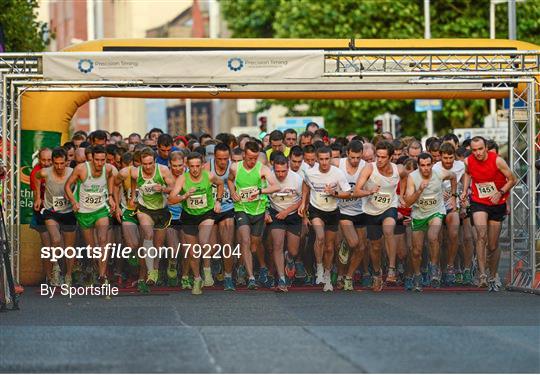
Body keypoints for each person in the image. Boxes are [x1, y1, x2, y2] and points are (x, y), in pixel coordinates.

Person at [461, 137, 516, 291]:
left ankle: (493, 274)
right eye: (474, 150)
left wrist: (500, 193)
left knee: (492, 244)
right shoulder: (468, 161)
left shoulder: (497, 161)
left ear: (486, 148)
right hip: (479, 202)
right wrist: (465, 190)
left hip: (497, 202)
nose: (477, 153)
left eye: (480, 149)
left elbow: (513, 179)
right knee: (481, 235)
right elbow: (467, 174)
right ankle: (482, 274)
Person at [354, 141, 408, 291]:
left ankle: (391, 269)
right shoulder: (369, 168)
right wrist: (369, 192)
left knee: (389, 229)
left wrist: (401, 195)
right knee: (375, 246)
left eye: (383, 157)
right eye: (378, 156)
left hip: (389, 206)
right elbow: (357, 191)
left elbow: (405, 177)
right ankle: (377, 274)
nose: (380, 160)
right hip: (371, 211)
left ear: (391, 157)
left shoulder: (399, 169)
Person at [169, 152, 224, 295]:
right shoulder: (183, 178)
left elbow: (221, 183)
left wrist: (218, 201)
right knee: (193, 253)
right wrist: (185, 195)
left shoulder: (209, 175)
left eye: (197, 166)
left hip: (206, 214)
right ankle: (197, 278)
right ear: (188, 166)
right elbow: (171, 198)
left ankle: (206, 270)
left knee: (203, 240)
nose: (195, 169)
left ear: (202, 165)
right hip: (189, 216)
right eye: (192, 166)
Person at [299, 146, 353, 292]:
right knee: (320, 237)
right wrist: (303, 203)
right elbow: (305, 185)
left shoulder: (337, 173)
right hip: (316, 209)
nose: (324, 162)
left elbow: (348, 193)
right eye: (321, 159)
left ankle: (327, 276)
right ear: (317, 159)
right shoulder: (310, 173)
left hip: (333, 212)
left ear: (330, 159)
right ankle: (319, 268)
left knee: (330, 247)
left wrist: (334, 193)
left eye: (326, 159)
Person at [228, 141, 280, 290]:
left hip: (258, 210)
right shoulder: (235, 167)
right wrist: (232, 192)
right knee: (245, 240)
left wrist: (260, 191)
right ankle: (251, 277)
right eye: (250, 158)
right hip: (241, 208)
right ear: (244, 155)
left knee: (254, 245)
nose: (252, 161)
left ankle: (244, 267)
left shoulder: (262, 169)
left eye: (255, 158)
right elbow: (230, 180)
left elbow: (276, 186)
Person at [64, 145, 117, 285]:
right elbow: (67, 186)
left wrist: (110, 196)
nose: (100, 163)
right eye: (97, 160)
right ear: (91, 158)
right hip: (84, 212)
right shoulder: (81, 169)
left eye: (103, 160)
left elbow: (112, 177)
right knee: (92, 250)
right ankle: (94, 268)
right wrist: (73, 202)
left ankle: (102, 275)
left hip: (101, 210)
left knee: (103, 240)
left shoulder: (109, 168)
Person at [405, 153, 457, 291]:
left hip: (436, 211)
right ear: (418, 165)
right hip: (419, 215)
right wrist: (419, 190)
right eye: (422, 165)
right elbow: (407, 202)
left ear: (433, 164)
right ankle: (417, 276)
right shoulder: (413, 177)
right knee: (416, 251)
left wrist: (453, 196)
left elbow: (453, 177)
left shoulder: (439, 173)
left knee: (433, 237)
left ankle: (434, 268)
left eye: (428, 165)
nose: (426, 168)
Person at [129, 147, 175, 286]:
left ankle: (154, 270)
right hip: (145, 210)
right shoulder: (136, 173)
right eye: (145, 164)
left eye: (150, 163)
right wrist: (133, 197)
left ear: (155, 161)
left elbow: (173, 188)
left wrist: (163, 189)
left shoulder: (163, 171)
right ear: (141, 163)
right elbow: (132, 182)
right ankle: (150, 271)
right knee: (148, 235)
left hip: (161, 210)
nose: (148, 167)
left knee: (158, 245)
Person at [33, 148, 77, 286]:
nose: (59, 166)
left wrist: (75, 198)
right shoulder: (45, 172)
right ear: (52, 162)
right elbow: (35, 176)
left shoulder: (72, 172)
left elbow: (82, 184)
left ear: (66, 162)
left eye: (62, 163)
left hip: (68, 212)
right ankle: (55, 267)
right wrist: (38, 197)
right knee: (56, 239)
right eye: (56, 163)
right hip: (51, 211)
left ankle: (68, 275)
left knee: (69, 248)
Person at [267, 155, 303, 292]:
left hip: (293, 214)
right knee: (277, 244)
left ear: (288, 168)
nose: (281, 174)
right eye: (278, 171)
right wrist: (266, 212)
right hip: (276, 213)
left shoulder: (297, 179)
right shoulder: (268, 178)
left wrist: (287, 211)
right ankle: (281, 279)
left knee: (293, 251)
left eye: (284, 171)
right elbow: (263, 196)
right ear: (273, 168)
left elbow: (303, 199)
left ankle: (289, 258)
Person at [335, 140, 368, 291]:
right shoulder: (337, 164)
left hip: (361, 210)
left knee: (361, 248)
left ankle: (347, 277)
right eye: (352, 157)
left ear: (362, 154)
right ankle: (345, 245)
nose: (355, 160)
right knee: (353, 243)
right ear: (347, 153)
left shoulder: (367, 167)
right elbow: (318, 167)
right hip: (343, 211)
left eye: (358, 157)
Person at [205, 143, 236, 291]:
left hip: (227, 208)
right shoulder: (206, 167)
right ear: (214, 157)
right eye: (219, 159)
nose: (223, 162)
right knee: (210, 247)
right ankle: (216, 260)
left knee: (227, 245)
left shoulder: (234, 167)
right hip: (210, 210)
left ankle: (228, 277)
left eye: (225, 158)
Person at [433, 142, 465, 286]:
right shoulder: (434, 168)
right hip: (437, 205)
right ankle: (437, 268)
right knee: (437, 239)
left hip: (453, 203)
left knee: (453, 235)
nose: (448, 161)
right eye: (445, 158)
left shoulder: (461, 166)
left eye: (450, 158)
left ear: (454, 156)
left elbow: (467, 181)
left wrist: (461, 196)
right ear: (440, 157)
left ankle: (450, 267)